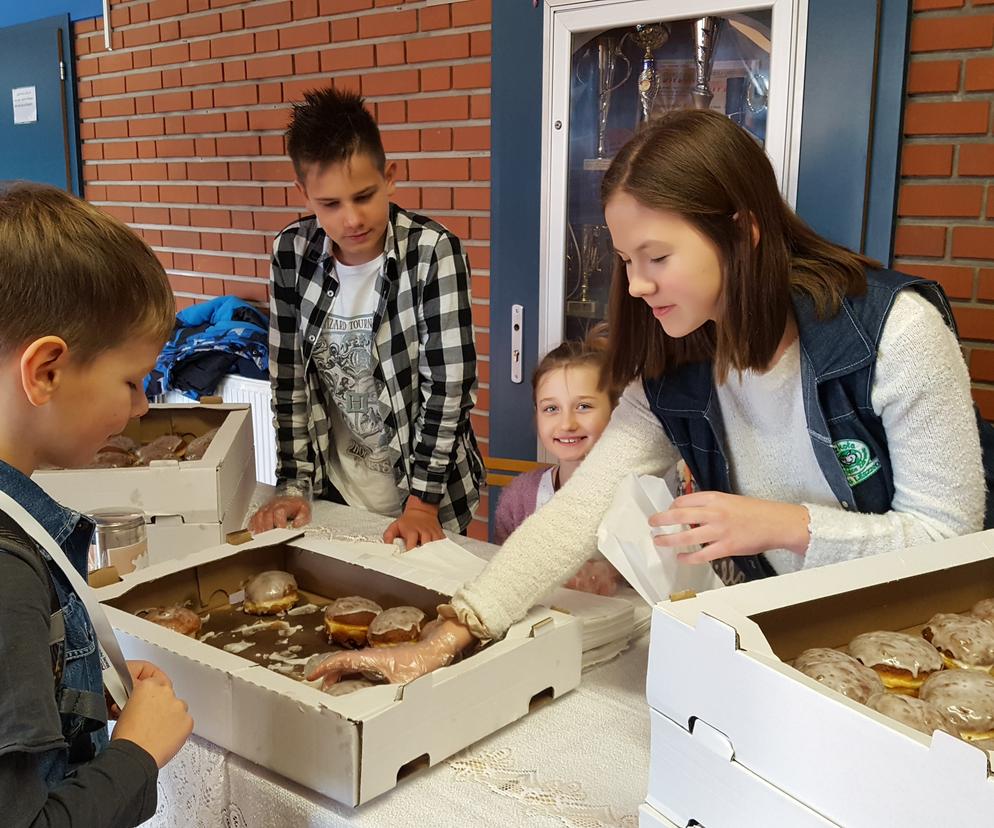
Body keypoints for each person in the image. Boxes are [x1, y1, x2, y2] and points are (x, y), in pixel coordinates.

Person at [307, 108, 992, 687]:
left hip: (917, 665)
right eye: (626, 260)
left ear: (743, 231)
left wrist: (783, 524)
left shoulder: (894, 332)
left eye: (656, 258)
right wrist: (451, 633)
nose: (636, 285)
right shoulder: (681, 359)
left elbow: (948, 542)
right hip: (785, 646)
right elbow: (580, 507)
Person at [0, 183, 194, 825]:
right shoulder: (8, 574)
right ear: (46, 370)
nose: (141, 408)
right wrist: (138, 753)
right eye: (132, 382)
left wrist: (71, 689)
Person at [248, 87, 483, 549]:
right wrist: (293, 484)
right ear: (304, 194)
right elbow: (289, 380)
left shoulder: (432, 251)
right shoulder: (291, 253)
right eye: (329, 204)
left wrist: (422, 501)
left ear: (389, 177)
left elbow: (449, 386)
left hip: (428, 495)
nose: (351, 219)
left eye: (364, 196)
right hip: (335, 488)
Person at [493, 326, 621, 594]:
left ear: (616, 410)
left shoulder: (636, 499)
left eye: (583, 406)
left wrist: (613, 575)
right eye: (551, 409)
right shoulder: (517, 500)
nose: (567, 423)